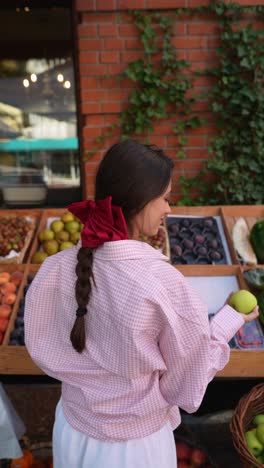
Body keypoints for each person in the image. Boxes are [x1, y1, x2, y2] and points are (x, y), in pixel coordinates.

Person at [24, 139, 259, 468]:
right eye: (164, 198)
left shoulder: (55, 269)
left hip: (71, 430)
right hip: (133, 450)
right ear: (140, 200)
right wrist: (228, 321)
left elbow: (41, 345)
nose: (168, 209)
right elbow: (186, 385)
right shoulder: (161, 284)